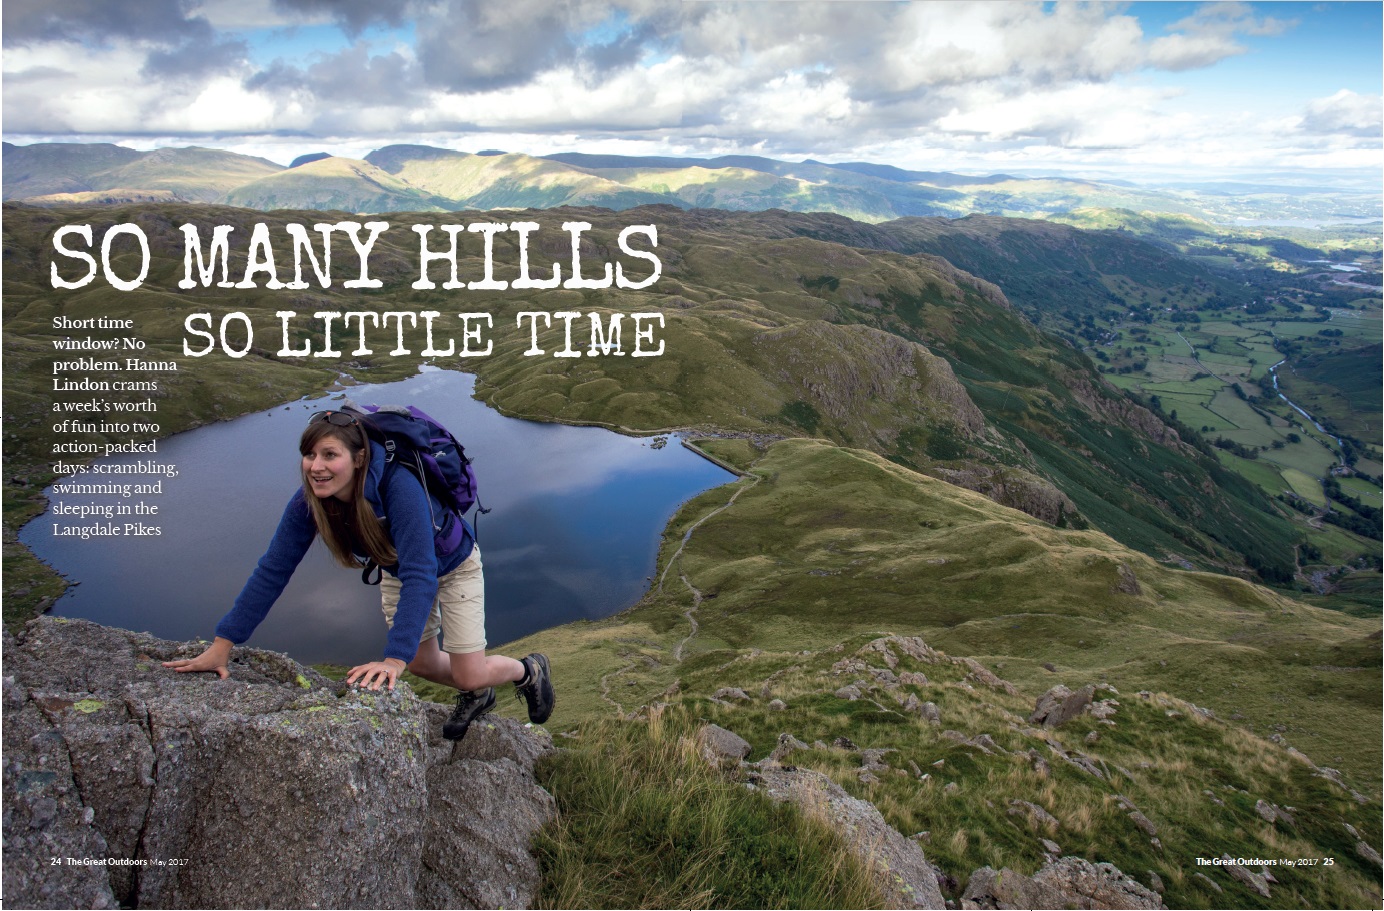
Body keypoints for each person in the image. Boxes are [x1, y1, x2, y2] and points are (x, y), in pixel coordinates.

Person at [163, 408, 554, 741]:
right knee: (422, 664)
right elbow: (273, 569)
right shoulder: (310, 501)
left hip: (453, 566)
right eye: (309, 454)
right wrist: (223, 643)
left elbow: (422, 573)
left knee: (467, 674)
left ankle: (528, 669)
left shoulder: (400, 487)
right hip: (398, 569)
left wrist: (392, 660)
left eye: (329, 454)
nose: (316, 466)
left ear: (359, 457)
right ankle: (479, 693)